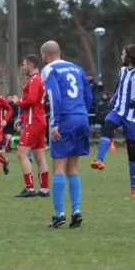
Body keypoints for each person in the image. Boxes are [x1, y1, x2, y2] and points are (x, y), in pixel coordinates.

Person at [90, 44, 135, 197]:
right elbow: (120, 88)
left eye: (123, 53)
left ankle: (134, 186)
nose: (121, 56)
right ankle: (99, 160)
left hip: (133, 116)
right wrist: (113, 99)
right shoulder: (122, 70)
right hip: (119, 110)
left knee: (132, 151)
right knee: (107, 126)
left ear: (130, 56)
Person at [40, 41, 92, 228]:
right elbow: (89, 97)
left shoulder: (49, 69)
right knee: (73, 168)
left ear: (45, 55)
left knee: (59, 167)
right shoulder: (77, 69)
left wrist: (55, 123)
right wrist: (82, 113)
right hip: (82, 118)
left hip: (65, 119)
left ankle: (59, 213)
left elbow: (55, 96)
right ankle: (76, 210)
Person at [13, 55, 50, 197]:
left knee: (22, 153)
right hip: (38, 120)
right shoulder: (37, 80)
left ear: (30, 65)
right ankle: (44, 189)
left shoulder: (34, 80)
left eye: (23, 64)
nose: (23, 67)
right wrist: (21, 117)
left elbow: (32, 100)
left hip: (33, 122)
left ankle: (30, 188)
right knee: (39, 156)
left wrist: (17, 102)